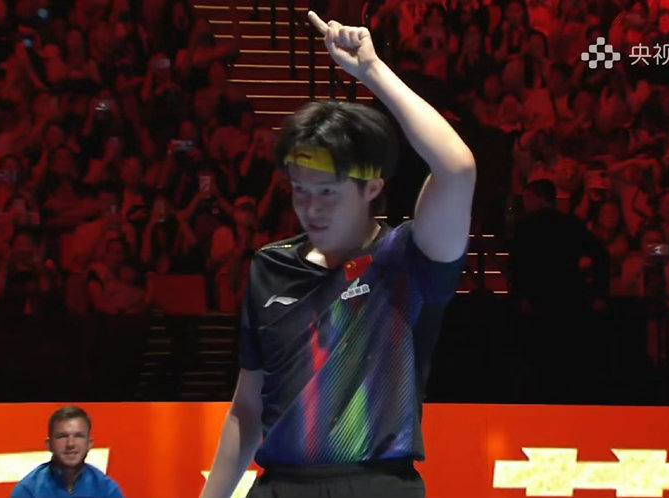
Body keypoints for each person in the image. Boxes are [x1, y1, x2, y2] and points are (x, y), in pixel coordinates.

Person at [200, 11, 476, 498]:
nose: (310, 208)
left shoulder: (407, 260)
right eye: (299, 190)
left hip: (378, 486)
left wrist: (372, 71)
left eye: (327, 192)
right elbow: (246, 409)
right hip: (281, 487)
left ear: (372, 187)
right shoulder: (270, 267)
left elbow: (457, 168)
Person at [508, 179, 609, 403]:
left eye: (527, 198)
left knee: (538, 360)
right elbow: (600, 254)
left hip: (537, 302)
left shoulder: (526, 226)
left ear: (537, 197)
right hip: (570, 301)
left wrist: (520, 295)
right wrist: (597, 290)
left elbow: (518, 265)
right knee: (567, 360)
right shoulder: (572, 224)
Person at [12, 406, 124, 497]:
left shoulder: (107, 490)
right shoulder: (28, 491)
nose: (70, 444)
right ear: (49, 444)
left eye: (78, 436)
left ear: (89, 444)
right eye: (62, 436)